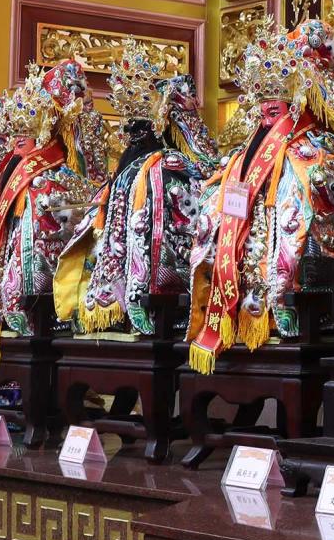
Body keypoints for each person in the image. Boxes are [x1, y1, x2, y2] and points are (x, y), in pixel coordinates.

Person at [188, 18, 334, 370]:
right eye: (265, 109)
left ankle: (276, 308)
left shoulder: (316, 156)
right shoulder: (239, 163)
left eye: (275, 108)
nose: (269, 115)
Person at [58, 44, 219, 335]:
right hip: (150, 295)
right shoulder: (149, 170)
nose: (132, 137)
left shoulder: (161, 168)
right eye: (129, 130)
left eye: (137, 130)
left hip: (158, 294)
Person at [0, 60, 102, 355]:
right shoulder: (4, 181)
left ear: (43, 133)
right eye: (15, 134)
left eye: (25, 134)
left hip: (39, 312)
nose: (17, 140)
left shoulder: (53, 183)